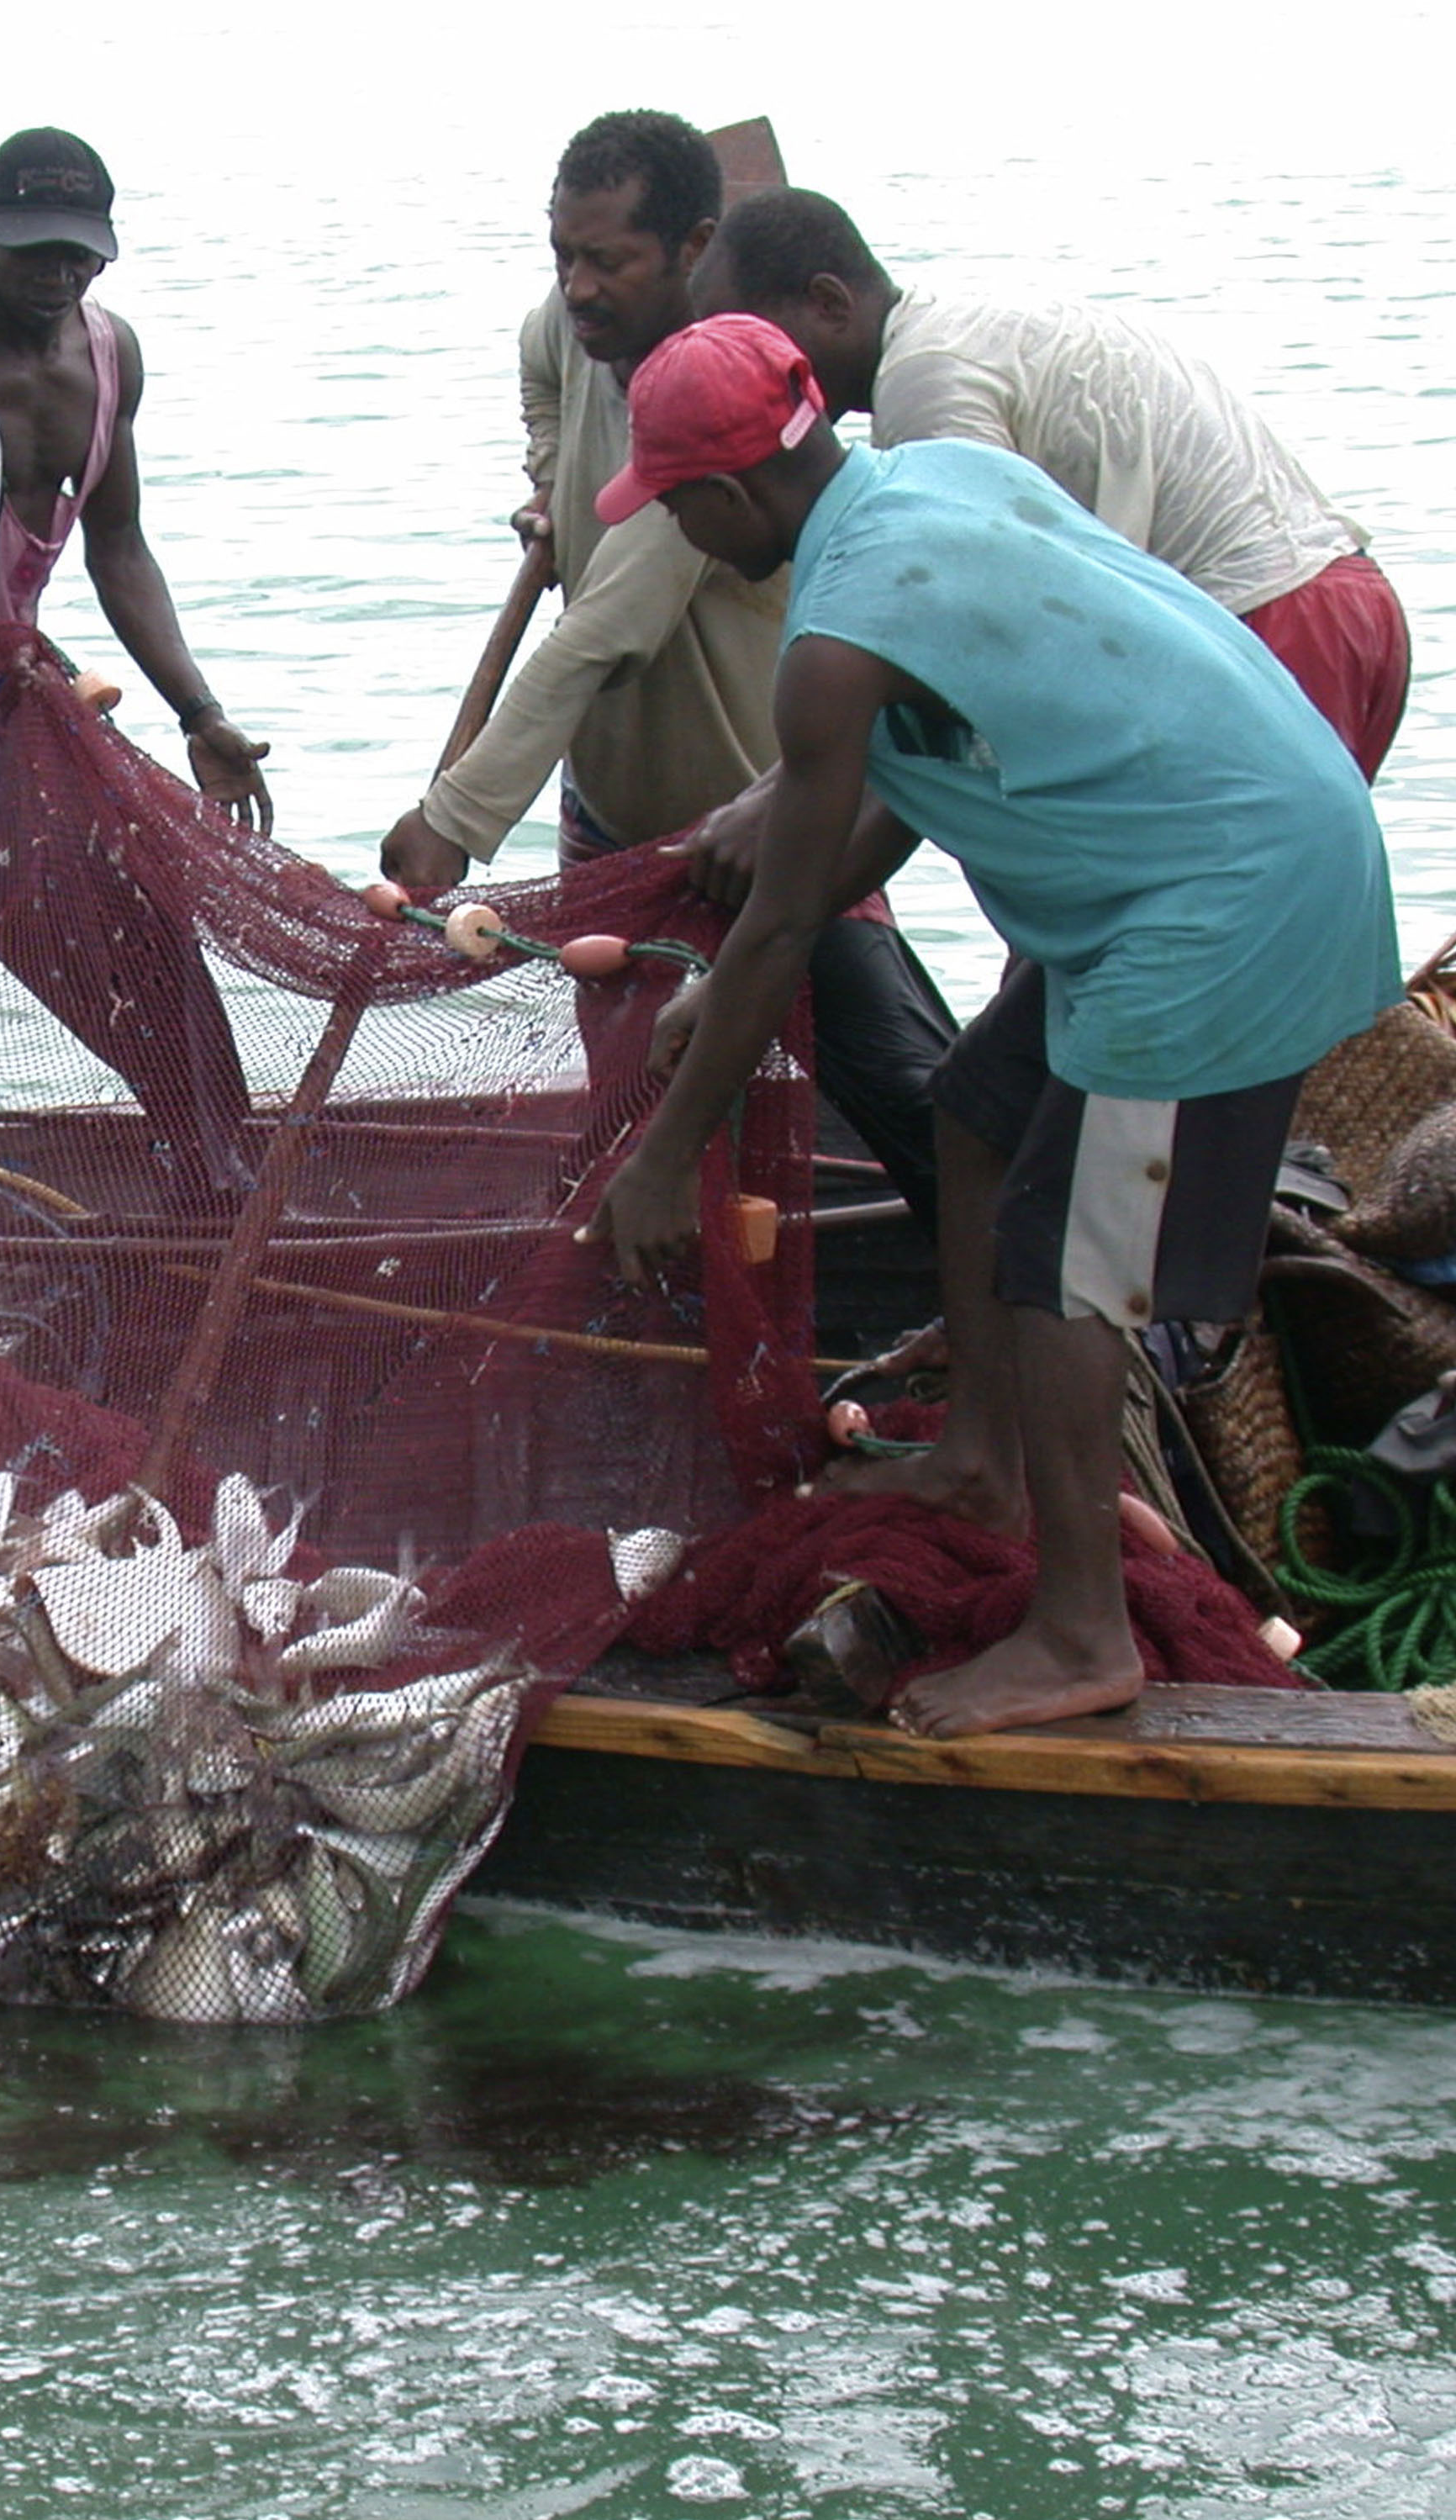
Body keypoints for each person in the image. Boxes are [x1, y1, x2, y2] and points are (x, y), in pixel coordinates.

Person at [585, 316, 1398, 1738]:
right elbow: (899, 804)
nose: (679, 532)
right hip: (1220, 852)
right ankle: (981, 1464)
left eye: (669, 504)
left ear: (720, 497)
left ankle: (1083, 1631)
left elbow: (783, 928)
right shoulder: (930, 482)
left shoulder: (832, 640)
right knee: (974, 1109)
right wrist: (723, 996)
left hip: (1224, 896)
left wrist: (666, 1157)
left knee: (1065, 1256)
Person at [377, 111, 957, 1232]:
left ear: (695, 251)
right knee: (632, 1097)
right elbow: (540, 364)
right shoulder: (575, 324)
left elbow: (606, 630)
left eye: (611, 262)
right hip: (612, 817)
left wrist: (455, 818)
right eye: (565, 255)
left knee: (900, 1089)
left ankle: (1017, 1289)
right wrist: (551, 481)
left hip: (758, 822)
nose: (579, 288)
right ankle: (659, 1308)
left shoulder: (720, 404)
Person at [691, 188, 1411, 775]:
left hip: (1269, 619)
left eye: (747, 338)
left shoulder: (926, 384)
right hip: (1347, 602)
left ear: (830, 303)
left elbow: (980, 643)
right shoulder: (962, 328)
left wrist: (796, 788)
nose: (738, 367)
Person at [0, 128, 273, 829]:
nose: (56, 276)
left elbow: (118, 548)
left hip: (9, 693)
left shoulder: (112, 355)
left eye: (76, 256)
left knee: (133, 927)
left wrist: (200, 714)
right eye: (33, 254)